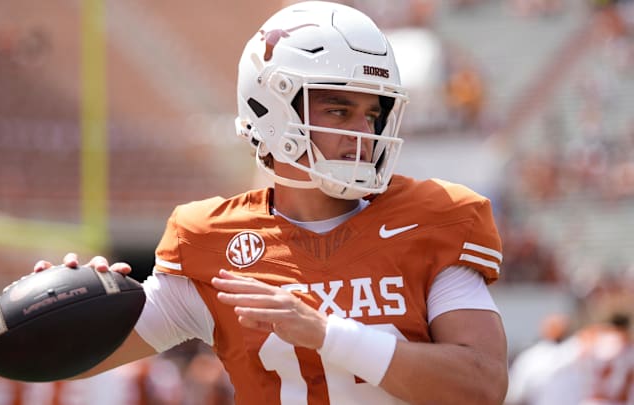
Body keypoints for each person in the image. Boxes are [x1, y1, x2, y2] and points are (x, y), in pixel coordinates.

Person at [34, 2, 508, 404]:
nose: (363, 133)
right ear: (272, 110)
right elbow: (57, 358)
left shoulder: (434, 217)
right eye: (339, 110)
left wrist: (326, 334)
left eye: (372, 113)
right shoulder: (212, 242)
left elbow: (482, 384)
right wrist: (59, 307)